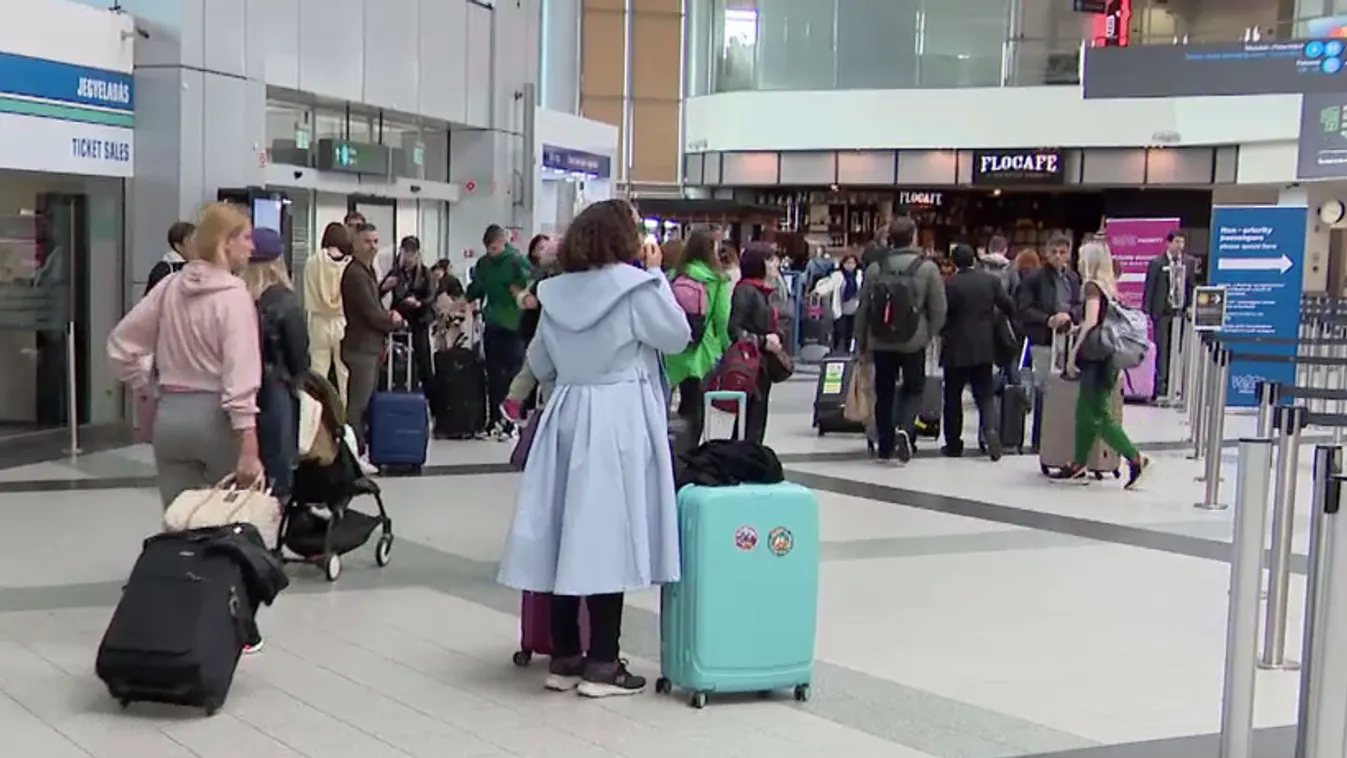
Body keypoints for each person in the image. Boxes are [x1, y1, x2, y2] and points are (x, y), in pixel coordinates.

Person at [496, 199, 690, 698]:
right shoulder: (637, 289)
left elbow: (539, 360)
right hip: (618, 415)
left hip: (568, 409)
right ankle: (604, 661)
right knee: (611, 531)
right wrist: (656, 276)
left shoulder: (554, 293)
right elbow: (676, 335)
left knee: (564, 531)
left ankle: (564, 658)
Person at [108, 202, 265, 508]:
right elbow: (240, 373)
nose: (252, 246)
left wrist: (144, 388)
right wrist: (249, 445)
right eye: (246, 237)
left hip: (171, 417)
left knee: (181, 518)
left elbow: (120, 345)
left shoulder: (169, 286)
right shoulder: (233, 295)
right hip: (218, 419)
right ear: (225, 241)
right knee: (232, 518)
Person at [1054, 241, 1152, 488]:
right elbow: (1100, 322)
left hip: (1096, 360)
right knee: (1087, 412)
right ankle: (1078, 463)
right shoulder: (1109, 287)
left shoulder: (1091, 287)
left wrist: (1072, 353)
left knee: (1096, 415)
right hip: (1107, 358)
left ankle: (1135, 457)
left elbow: (1090, 323)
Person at [854, 217, 947, 464]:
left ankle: (885, 444)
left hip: (881, 339)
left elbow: (864, 307)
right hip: (913, 340)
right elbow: (939, 308)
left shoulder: (875, 268)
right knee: (914, 388)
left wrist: (861, 341)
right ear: (914, 237)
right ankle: (906, 429)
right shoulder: (927, 268)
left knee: (883, 391)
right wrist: (928, 334)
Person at [243, 228, 309, 499]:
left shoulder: (237, 298)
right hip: (276, 392)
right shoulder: (285, 301)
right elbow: (298, 356)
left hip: (240, 394)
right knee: (278, 470)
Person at [940, 244, 1017, 459]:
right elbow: (1009, 305)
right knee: (984, 394)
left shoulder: (951, 284)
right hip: (984, 345)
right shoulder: (991, 281)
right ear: (975, 260)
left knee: (952, 396)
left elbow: (944, 313)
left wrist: (943, 330)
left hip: (955, 347)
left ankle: (953, 443)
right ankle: (991, 431)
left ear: (954, 263)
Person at [340, 222, 404, 458]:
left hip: (369, 346)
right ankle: (352, 454)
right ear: (355, 244)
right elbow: (371, 312)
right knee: (358, 404)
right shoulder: (356, 273)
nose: (372, 247)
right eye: (367, 242)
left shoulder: (366, 271)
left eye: (376, 241)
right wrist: (393, 319)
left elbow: (371, 303)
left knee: (363, 402)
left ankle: (358, 450)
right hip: (361, 348)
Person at [664, 231, 731, 442]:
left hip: (675, 349)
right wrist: (726, 345)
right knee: (696, 407)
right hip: (704, 349)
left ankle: (672, 451)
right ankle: (689, 449)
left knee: (671, 404)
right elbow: (722, 318)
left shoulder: (675, 275)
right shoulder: (717, 279)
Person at [466, 224, 531, 440]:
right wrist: (464, 300)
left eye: (494, 248)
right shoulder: (484, 264)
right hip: (493, 322)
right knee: (493, 374)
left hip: (513, 324)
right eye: (488, 249)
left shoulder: (516, 261)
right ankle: (493, 419)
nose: (491, 253)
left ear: (504, 243)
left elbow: (528, 287)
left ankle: (510, 422)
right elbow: (477, 287)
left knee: (513, 373)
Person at [727, 244, 787, 444]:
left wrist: (777, 335)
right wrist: (762, 341)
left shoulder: (764, 291)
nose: (775, 264)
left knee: (757, 414)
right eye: (769, 260)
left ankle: (750, 455)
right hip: (750, 363)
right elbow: (735, 329)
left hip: (762, 364)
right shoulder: (746, 290)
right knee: (750, 415)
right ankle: (743, 457)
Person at [501, 236, 561, 423]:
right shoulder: (546, 280)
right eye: (541, 248)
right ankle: (520, 402)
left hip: (541, 330)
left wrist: (520, 296)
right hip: (540, 329)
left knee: (535, 365)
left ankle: (517, 401)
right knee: (537, 365)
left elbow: (528, 300)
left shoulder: (544, 280)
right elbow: (530, 302)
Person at [1017, 232, 1082, 397]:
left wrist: (1070, 315)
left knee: (1063, 385)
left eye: (1062, 252)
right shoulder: (1035, 278)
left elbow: (1080, 305)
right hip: (1042, 338)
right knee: (1043, 384)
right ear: (1047, 254)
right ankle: (1040, 420)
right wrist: (1047, 320)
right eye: (1054, 252)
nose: (1058, 256)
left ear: (1068, 254)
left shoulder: (1073, 278)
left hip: (1068, 337)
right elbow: (1023, 309)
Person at [1143, 231, 1196, 398]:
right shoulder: (1157, 263)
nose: (1180, 246)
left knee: (1176, 349)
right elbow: (1149, 287)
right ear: (1169, 243)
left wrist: (1189, 306)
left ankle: (1175, 384)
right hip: (1162, 312)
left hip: (1179, 314)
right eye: (1177, 242)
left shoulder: (1188, 262)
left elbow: (1191, 286)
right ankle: (1161, 384)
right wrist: (1147, 310)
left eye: (1182, 242)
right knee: (1162, 348)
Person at [381, 236, 435, 394]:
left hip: (419, 320)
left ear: (418, 254)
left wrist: (419, 302)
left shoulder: (425, 273)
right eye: (405, 253)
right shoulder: (396, 272)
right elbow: (377, 293)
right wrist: (384, 287)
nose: (408, 258)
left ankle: (430, 399)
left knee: (424, 361)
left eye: (412, 253)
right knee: (391, 357)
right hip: (399, 318)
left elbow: (431, 296)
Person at [305, 222, 351, 402]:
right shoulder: (349, 265)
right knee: (345, 375)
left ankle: (315, 422)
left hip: (318, 321)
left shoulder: (312, 262)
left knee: (318, 375)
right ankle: (345, 421)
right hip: (342, 321)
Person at [812, 253, 863, 352]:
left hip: (855, 309)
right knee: (839, 331)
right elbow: (829, 285)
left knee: (850, 333)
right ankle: (835, 351)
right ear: (843, 264)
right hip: (841, 309)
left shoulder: (859, 275)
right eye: (848, 263)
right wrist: (818, 291)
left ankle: (848, 352)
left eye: (853, 263)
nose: (850, 265)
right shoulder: (837, 276)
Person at [145, 221, 194, 295]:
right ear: (178, 246)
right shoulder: (164, 270)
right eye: (191, 241)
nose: (196, 246)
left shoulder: (196, 267)